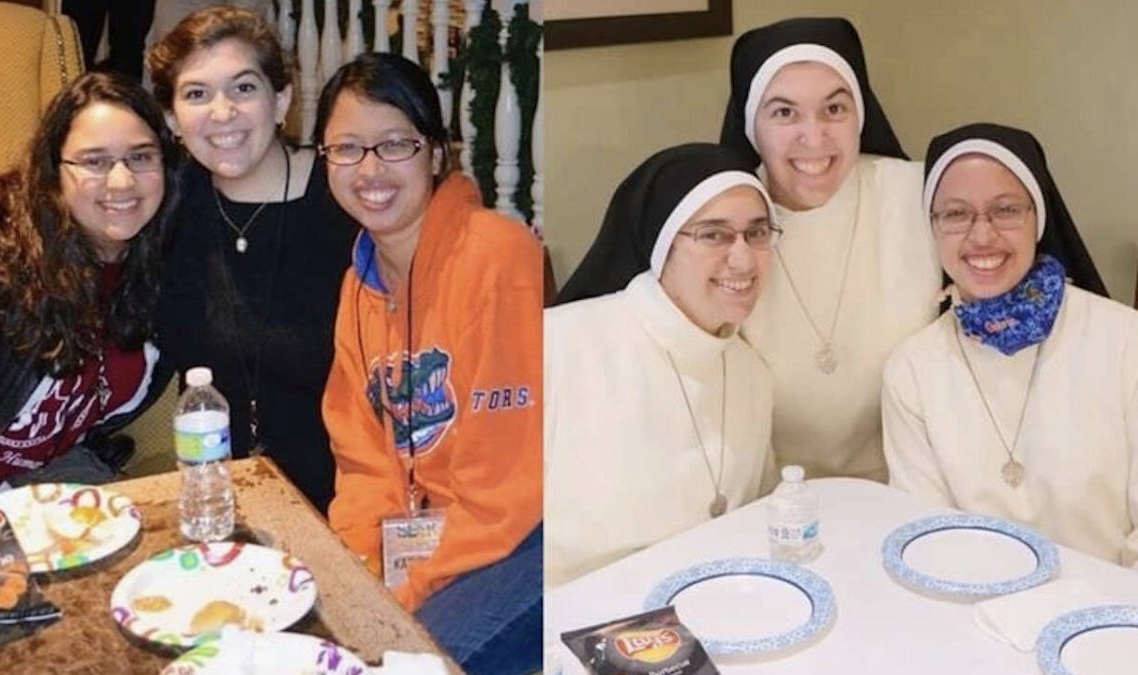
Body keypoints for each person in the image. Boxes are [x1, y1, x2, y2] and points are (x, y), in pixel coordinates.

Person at [315, 53, 542, 675]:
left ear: (437, 154)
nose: (370, 170)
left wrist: (404, 593)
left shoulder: (499, 259)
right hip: (429, 541)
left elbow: (505, 489)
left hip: (523, 540)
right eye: (347, 149)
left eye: (395, 145)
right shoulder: (358, 285)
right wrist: (363, 572)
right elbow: (360, 457)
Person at [708, 16, 944, 482]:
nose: (813, 137)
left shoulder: (922, 196)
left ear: (861, 114)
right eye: (784, 113)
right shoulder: (715, 221)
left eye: (834, 110)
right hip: (765, 501)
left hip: (912, 485)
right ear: (751, 126)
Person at [883, 123, 1130, 566]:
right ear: (932, 228)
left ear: (1038, 218)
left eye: (1006, 210)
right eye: (956, 214)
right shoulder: (912, 371)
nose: (982, 236)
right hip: (975, 617)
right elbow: (928, 539)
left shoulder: (1126, 341)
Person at [148, 6, 357, 512]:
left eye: (244, 88)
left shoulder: (345, 196)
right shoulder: (165, 204)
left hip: (349, 499)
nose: (223, 113)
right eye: (197, 94)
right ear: (174, 118)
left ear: (281, 98)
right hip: (218, 500)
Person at [545, 144, 777, 586]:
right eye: (714, 234)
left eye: (758, 233)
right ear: (661, 244)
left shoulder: (753, 375)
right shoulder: (558, 345)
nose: (744, 259)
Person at [0, 72, 181, 493]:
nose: (122, 181)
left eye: (141, 157)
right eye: (94, 161)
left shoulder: (158, 268)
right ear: (53, 170)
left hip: (48, 484)